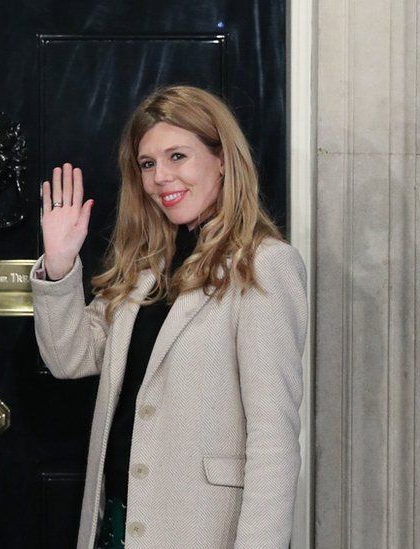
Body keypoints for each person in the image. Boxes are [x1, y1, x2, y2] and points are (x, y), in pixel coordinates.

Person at [31, 85, 307, 548]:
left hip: (200, 529)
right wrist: (59, 265)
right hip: (116, 519)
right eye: (148, 164)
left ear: (222, 159)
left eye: (178, 156)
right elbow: (69, 358)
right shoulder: (144, 268)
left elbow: (273, 441)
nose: (161, 177)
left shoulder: (264, 265)